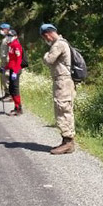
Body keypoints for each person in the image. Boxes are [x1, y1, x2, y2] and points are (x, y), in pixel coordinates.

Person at [40, 23, 77, 154]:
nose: (46, 40)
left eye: (45, 37)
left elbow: (49, 60)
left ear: (48, 34)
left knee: (63, 109)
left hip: (63, 82)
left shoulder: (58, 44)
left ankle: (68, 142)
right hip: (62, 81)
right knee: (62, 109)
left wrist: (45, 55)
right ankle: (65, 140)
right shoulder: (62, 42)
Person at [0, 29, 23, 116]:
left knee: (15, 90)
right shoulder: (11, 45)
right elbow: (11, 61)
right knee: (11, 89)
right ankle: (16, 107)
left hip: (16, 70)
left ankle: (18, 108)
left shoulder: (16, 45)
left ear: (15, 37)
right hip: (12, 69)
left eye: (11, 36)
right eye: (8, 36)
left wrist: (15, 72)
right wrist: (4, 68)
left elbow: (18, 60)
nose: (9, 37)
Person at [0, 23, 11, 101]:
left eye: (3, 29)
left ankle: (9, 95)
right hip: (3, 61)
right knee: (3, 78)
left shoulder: (9, 39)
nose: (1, 30)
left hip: (7, 62)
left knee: (7, 78)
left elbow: (10, 51)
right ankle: (6, 93)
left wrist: (8, 62)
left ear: (7, 30)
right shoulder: (5, 38)